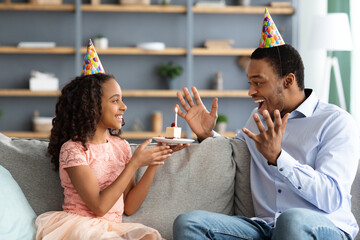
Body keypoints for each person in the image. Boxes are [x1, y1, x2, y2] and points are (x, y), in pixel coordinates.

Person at [173, 8, 359, 240]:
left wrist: (279, 158)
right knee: (190, 223)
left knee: (292, 220)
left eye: (258, 83)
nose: (251, 92)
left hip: (323, 227)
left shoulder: (336, 122)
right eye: (250, 83)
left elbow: (332, 198)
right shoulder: (257, 117)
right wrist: (208, 134)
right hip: (266, 227)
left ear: (288, 80)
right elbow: (237, 153)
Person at [36, 40, 187, 240]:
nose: (123, 107)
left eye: (122, 100)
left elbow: (130, 206)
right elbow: (99, 207)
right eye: (115, 100)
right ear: (91, 106)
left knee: (149, 237)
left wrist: (154, 160)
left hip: (112, 228)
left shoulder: (120, 147)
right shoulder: (73, 149)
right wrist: (134, 164)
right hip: (81, 228)